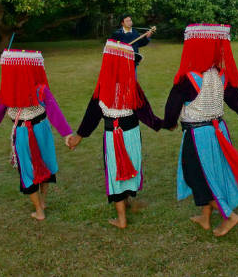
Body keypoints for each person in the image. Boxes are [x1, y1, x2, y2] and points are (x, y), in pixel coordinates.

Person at [163, 23, 238, 236]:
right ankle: (205, 218)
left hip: (197, 135)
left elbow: (171, 111)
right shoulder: (220, 75)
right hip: (218, 134)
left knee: (196, 176)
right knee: (209, 173)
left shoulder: (186, 79)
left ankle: (229, 216)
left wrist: (168, 123)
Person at [68, 40, 169, 228]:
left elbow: (92, 116)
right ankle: (126, 208)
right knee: (129, 166)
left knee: (116, 172)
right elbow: (146, 114)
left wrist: (79, 137)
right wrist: (164, 125)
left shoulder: (103, 88)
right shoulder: (132, 87)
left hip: (112, 136)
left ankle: (122, 217)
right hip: (130, 135)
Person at [0, 49, 73, 221]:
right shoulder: (40, 88)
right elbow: (54, 111)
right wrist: (66, 134)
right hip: (41, 130)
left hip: (23, 133)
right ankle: (43, 202)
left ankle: (39, 209)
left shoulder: (8, 90)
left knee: (28, 170)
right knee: (44, 165)